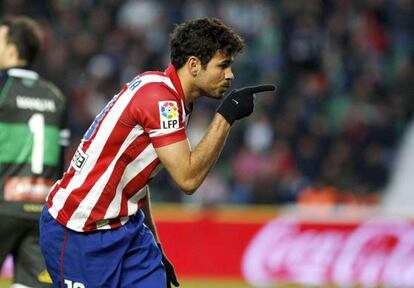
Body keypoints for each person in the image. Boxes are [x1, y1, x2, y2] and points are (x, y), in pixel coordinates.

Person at [39, 17, 275, 287]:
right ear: (194, 65)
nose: (230, 75)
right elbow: (188, 179)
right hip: (79, 230)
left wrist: (155, 243)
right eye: (223, 65)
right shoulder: (161, 100)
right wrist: (226, 116)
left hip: (126, 230)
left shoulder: (163, 90)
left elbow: (139, 179)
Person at [0, 16, 69, 288]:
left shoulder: (3, 89)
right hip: (40, 211)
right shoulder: (55, 96)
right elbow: (63, 160)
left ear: (13, 50)